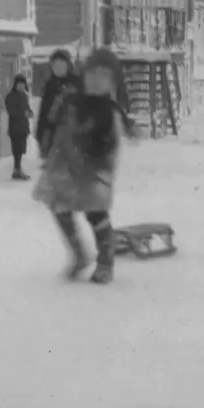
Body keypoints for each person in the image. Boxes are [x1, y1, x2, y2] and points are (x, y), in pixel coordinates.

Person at [32, 47, 134, 284]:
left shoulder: (109, 112)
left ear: (112, 83)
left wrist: (94, 160)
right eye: (92, 74)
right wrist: (49, 148)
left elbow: (111, 144)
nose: (96, 81)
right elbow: (56, 124)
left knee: (95, 214)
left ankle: (105, 261)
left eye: (104, 77)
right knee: (59, 206)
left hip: (94, 170)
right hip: (66, 166)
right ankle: (79, 254)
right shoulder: (72, 100)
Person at [36, 49, 79, 160]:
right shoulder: (50, 85)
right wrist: (40, 135)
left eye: (61, 63)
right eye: (55, 64)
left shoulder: (77, 83)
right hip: (53, 135)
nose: (58, 67)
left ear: (68, 65)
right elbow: (44, 112)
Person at [4, 74, 35, 181]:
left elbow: (27, 108)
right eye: (19, 84)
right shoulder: (11, 97)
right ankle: (16, 169)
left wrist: (30, 113)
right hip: (15, 127)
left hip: (23, 127)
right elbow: (12, 111)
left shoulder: (24, 96)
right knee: (17, 149)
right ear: (15, 85)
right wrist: (24, 113)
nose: (21, 87)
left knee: (21, 149)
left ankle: (18, 169)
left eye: (23, 84)